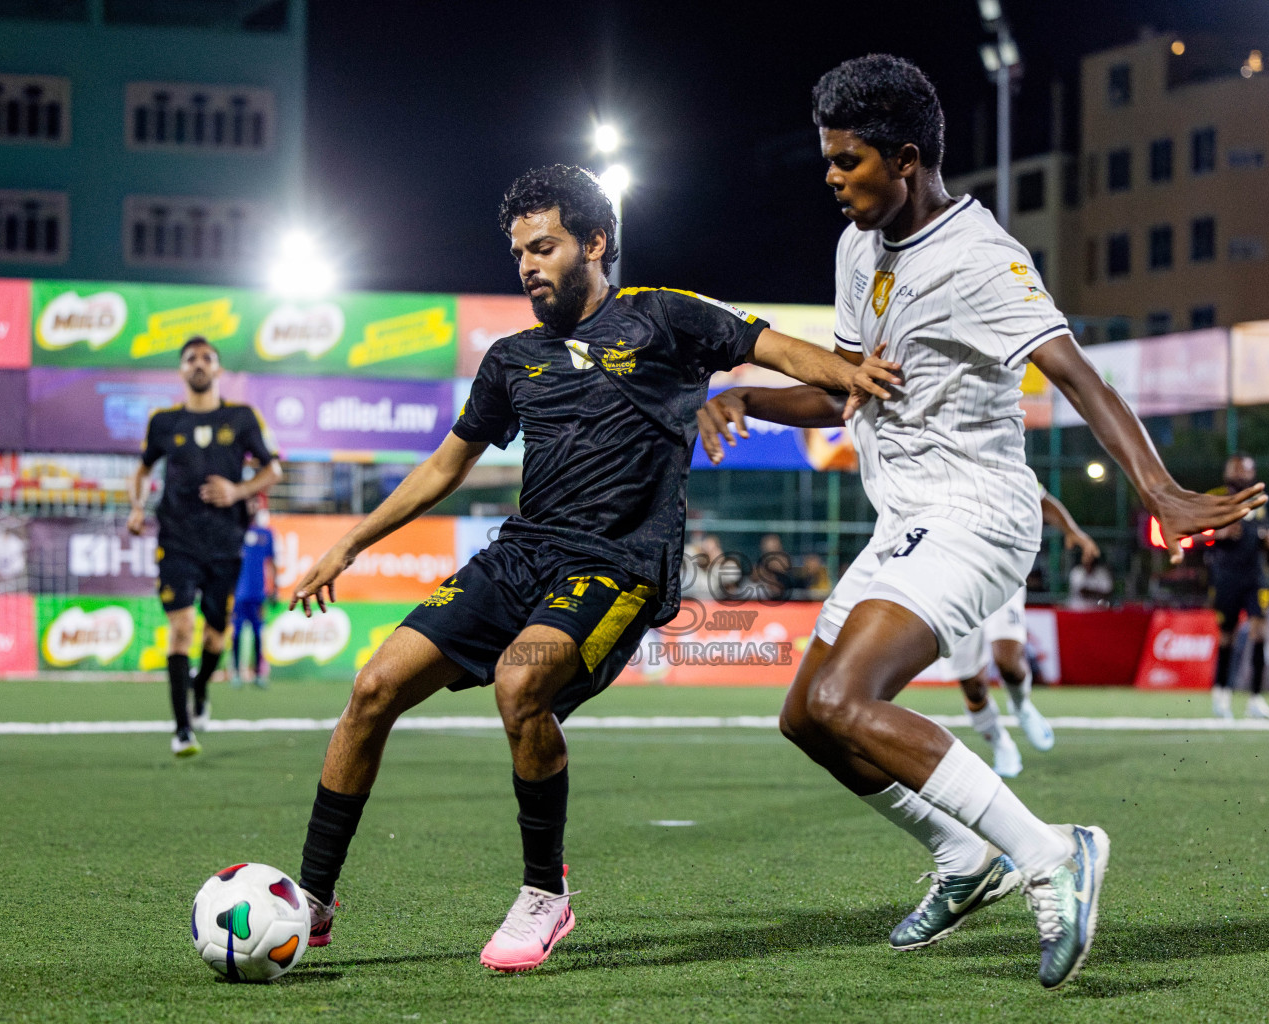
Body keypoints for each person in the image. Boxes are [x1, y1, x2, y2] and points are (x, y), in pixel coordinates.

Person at [696, 55, 1265, 989]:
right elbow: (846, 391)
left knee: (849, 702)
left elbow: (1078, 374)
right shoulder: (856, 247)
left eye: (849, 162)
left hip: (977, 515)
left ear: (907, 158)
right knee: (807, 718)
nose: (832, 179)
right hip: (904, 519)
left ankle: (1053, 852)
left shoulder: (981, 257)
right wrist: (749, 391)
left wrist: (1157, 489)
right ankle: (966, 859)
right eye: (828, 160)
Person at [285, 165, 898, 972]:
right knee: (372, 688)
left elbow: (771, 347)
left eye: (543, 247)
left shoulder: (665, 319)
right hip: (520, 556)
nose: (527, 266)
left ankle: (546, 892)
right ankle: (312, 899)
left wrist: (852, 373)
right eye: (517, 254)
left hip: (621, 568)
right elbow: (444, 467)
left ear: (595, 242)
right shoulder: (511, 360)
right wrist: (349, 544)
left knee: (519, 682)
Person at [128, 337, 282, 757]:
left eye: (207, 358)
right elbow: (141, 471)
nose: (198, 364)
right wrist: (138, 508)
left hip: (225, 543)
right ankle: (182, 731)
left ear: (218, 370)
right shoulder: (163, 422)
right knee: (181, 629)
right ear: (181, 370)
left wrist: (238, 491)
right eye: (190, 358)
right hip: (176, 541)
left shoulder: (241, 417)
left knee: (217, 634)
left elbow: (273, 469)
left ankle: (200, 688)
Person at [948, 491, 1099, 778]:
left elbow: (1040, 498)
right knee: (973, 686)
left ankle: (1021, 705)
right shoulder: (935, 468)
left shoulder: (996, 457)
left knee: (1008, 662)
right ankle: (1001, 744)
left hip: (1002, 572)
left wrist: (1072, 531)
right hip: (956, 581)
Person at [1207, 454, 1269, 720]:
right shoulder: (1217, 498)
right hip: (1226, 575)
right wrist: (1218, 535)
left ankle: (1256, 699)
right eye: (1237, 469)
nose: (1241, 474)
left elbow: (1265, 530)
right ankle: (1222, 695)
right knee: (1227, 635)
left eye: (1246, 469)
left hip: (1255, 576)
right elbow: (1200, 532)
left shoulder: (1258, 502)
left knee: (1260, 630)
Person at [231, 497, 279, 686]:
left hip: (258, 594)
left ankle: (259, 673)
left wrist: (274, 588)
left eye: (255, 503)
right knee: (236, 633)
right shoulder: (235, 532)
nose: (252, 507)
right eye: (248, 503)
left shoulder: (266, 534)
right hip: (238, 595)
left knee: (259, 634)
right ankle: (236, 672)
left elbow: (272, 563)